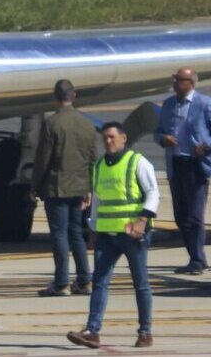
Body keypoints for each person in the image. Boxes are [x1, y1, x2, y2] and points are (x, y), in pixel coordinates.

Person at [67, 122, 159, 349]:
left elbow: (153, 192)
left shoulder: (137, 162)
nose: (108, 141)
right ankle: (92, 330)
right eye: (105, 138)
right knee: (99, 282)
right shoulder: (99, 166)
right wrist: (93, 228)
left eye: (112, 137)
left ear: (123, 138)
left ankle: (145, 332)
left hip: (132, 235)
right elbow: (97, 201)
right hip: (107, 235)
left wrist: (142, 219)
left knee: (141, 284)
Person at [153, 67, 211, 275]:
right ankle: (195, 257)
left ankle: (197, 259)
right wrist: (163, 139)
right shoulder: (169, 104)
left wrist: (207, 145)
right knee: (181, 216)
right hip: (176, 164)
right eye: (174, 79)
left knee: (195, 215)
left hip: (195, 166)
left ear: (191, 83)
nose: (175, 83)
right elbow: (158, 131)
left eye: (179, 80)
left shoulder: (204, 103)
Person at [31, 80, 95, 297]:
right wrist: (89, 188)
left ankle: (61, 283)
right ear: (74, 96)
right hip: (79, 187)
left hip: (57, 187)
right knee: (76, 233)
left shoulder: (52, 123)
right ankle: (85, 280)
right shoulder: (86, 124)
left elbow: (43, 159)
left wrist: (34, 186)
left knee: (59, 235)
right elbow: (92, 158)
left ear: (55, 97)